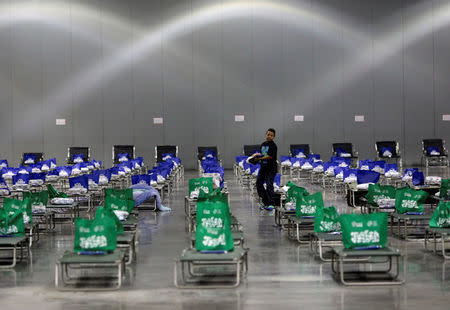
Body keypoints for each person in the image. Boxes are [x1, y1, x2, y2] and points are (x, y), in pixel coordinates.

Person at [254, 128, 278, 211]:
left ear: (273, 137)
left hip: (271, 169)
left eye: (271, 135)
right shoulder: (262, 144)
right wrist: (255, 157)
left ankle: (271, 203)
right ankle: (265, 201)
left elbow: (269, 156)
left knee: (269, 185)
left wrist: (260, 159)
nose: (269, 136)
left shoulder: (273, 146)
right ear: (266, 135)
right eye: (268, 134)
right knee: (258, 184)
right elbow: (261, 154)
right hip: (263, 168)